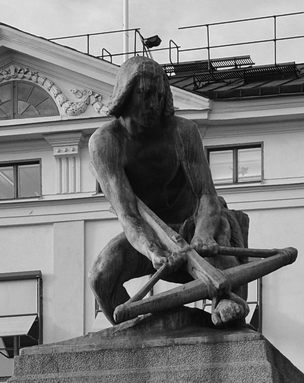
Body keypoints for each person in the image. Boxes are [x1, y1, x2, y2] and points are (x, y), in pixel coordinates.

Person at [88, 55, 249, 327]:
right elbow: (128, 214)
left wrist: (203, 234)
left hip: (194, 226)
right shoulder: (105, 142)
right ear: (126, 94)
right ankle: (136, 327)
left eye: (159, 96)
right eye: (145, 94)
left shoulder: (183, 132)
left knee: (221, 258)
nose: (153, 104)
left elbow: (206, 196)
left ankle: (224, 300)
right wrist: (153, 250)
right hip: (148, 234)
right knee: (101, 276)